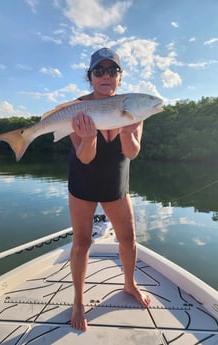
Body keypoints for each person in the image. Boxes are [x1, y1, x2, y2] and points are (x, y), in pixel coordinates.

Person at [68, 47, 150, 331]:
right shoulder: (77, 108)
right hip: (83, 183)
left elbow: (132, 152)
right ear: (90, 77)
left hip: (116, 183)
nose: (106, 76)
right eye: (99, 71)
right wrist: (89, 138)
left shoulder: (132, 106)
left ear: (120, 77)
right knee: (82, 243)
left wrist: (129, 132)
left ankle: (129, 284)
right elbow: (85, 157)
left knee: (128, 239)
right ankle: (78, 300)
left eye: (112, 70)